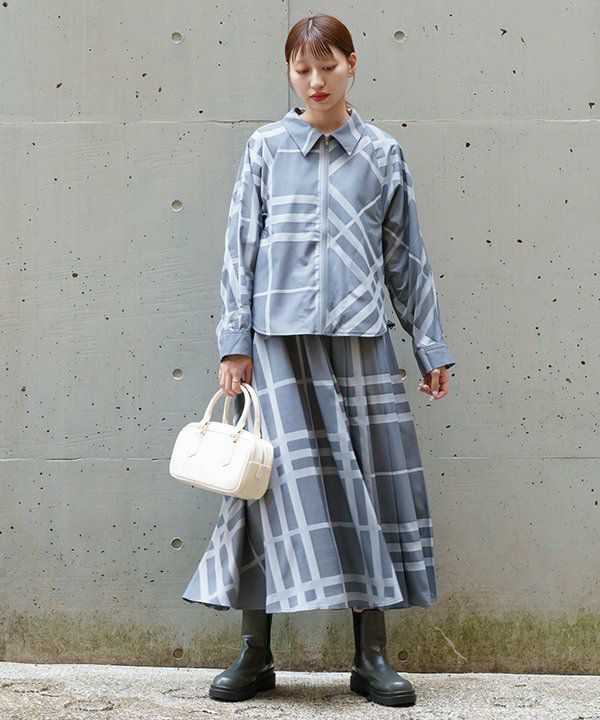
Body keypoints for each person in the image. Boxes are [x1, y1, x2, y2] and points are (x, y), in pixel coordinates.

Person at [181, 13, 456, 708]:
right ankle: (255, 654)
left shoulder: (383, 154)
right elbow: (239, 249)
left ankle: (371, 658)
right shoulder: (266, 149)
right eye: (302, 69)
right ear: (290, 72)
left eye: (327, 67)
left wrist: (429, 347)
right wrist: (234, 344)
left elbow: (407, 258)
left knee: (372, 491)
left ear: (352, 64)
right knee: (263, 492)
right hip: (278, 349)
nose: (315, 81)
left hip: (362, 345)